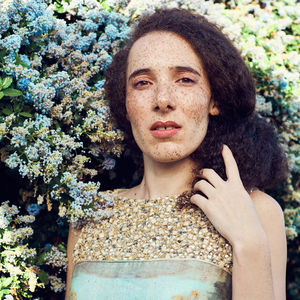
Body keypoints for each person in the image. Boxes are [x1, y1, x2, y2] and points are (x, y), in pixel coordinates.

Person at [66, 8, 288, 300]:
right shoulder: (91, 214)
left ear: (215, 99)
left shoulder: (256, 210)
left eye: (185, 80)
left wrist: (248, 242)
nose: (163, 100)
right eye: (142, 82)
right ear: (126, 105)